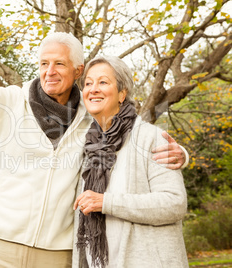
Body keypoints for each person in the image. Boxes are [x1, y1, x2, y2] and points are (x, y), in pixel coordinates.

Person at [0, 33, 188, 268]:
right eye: (43, 63)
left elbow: (127, 144)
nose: (49, 71)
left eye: (59, 64)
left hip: (56, 255)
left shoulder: (89, 122)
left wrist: (179, 154)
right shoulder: (9, 104)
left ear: (77, 70)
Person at [73, 55, 188, 268]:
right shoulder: (87, 145)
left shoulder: (149, 137)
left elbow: (174, 203)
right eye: (88, 83)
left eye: (103, 82)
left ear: (122, 94)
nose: (93, 89)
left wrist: (106, 202)